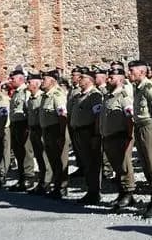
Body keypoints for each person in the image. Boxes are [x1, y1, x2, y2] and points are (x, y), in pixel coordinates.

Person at [128, 59, 152, 216]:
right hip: (139, 126)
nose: (129, 74)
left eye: (132, 71)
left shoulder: (149, 87)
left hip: (148, 127)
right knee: (145, 164)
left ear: (142, 72)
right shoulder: (137, 87)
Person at [100, 64, 136, 211]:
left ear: (120, 80)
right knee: (117, 167)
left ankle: (128, 193)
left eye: (111, 77)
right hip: (109, 136)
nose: (108, 79)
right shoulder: (108, 97)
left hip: (121, 136)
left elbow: (129, 118)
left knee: (124, 166)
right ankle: (122, 193)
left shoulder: (124, 97)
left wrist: (129, 137)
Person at [69, 67, 103, 204]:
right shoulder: (79, 95)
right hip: (78, 132)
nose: (79, 79)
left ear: (89, 81)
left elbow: (97, 116)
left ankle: (94, 192)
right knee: (86, 163)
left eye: (82, 77)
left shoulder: (94, 95)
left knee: (92, 163)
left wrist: (96, 134)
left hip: (89, 132)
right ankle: (90, 190)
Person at [39, 69, 70, 199]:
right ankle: (56, 185)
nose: (42, 82)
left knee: (60, 160)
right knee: (52, 159)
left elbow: (62, 115)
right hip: (47, 130)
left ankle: (62, 187)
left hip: (56, 130)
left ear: (52, 81)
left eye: (44, 79)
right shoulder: (46, 95)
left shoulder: (57, 95)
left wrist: (61, 135)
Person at [8, 67, 35, 191]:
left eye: (12, 78)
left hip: (23, 125)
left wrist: (28, 126)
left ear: (20, 79)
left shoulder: (26, 91)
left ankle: (29, 177)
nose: (10, 80)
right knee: (18, 152)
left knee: (26, 151)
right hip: (15, 124)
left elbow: (29, 109)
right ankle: (21, 177)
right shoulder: (16, 92)